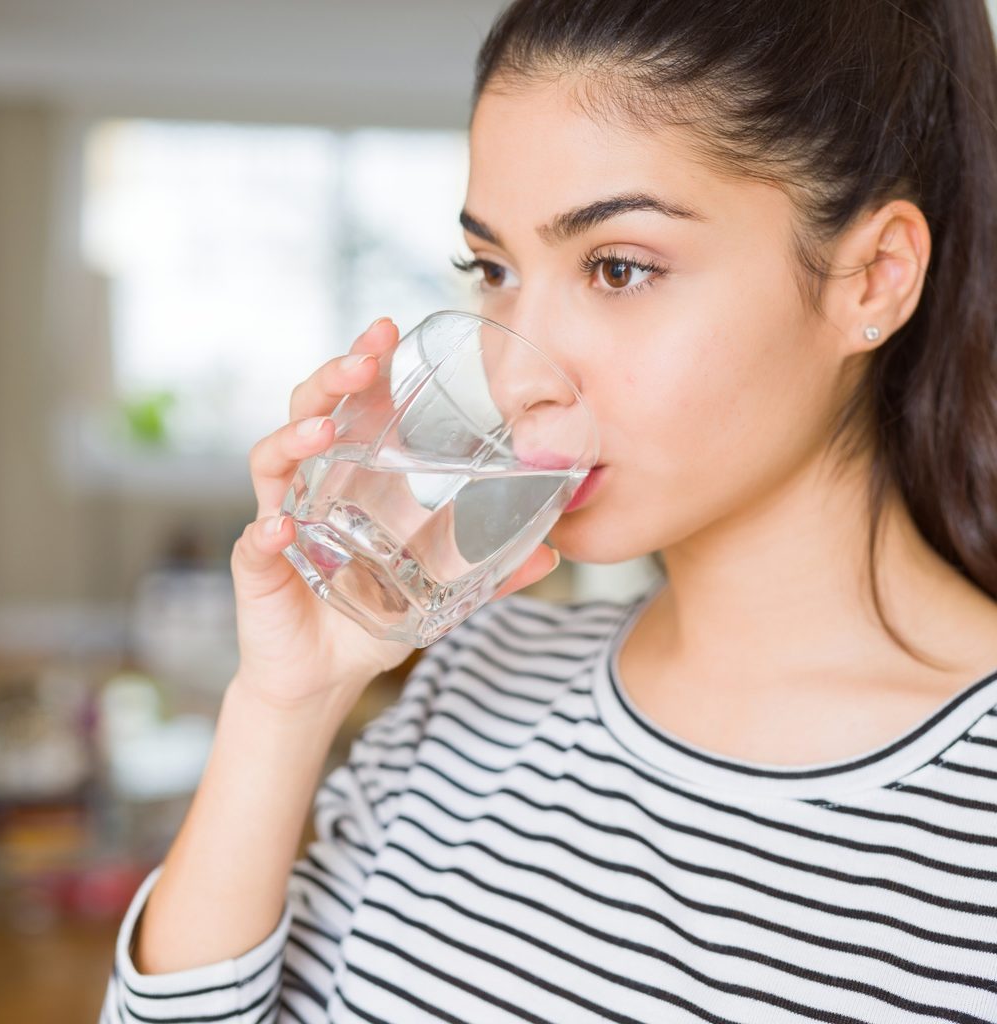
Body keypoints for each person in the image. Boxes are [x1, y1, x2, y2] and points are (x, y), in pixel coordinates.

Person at [99, 0, 997, 1020]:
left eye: (619, 268)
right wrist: (282, 708)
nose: (517, 377)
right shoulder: (473, 680)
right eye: (493, 270)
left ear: (870, 277)